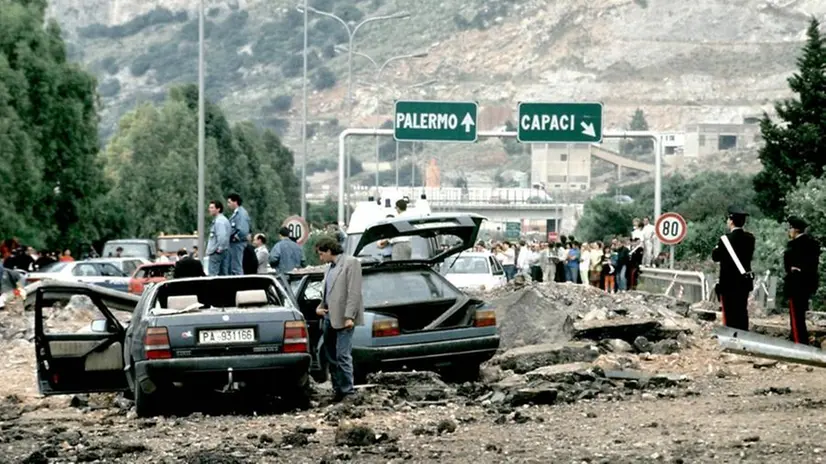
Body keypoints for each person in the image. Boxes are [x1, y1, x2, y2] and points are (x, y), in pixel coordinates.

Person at [315, 236, 364, 402]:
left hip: (344, 318)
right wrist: (320, 307)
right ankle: (337, 389)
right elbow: (327, 291)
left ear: (329, 251)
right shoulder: (329, 268)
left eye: (322, 254)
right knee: (331, 356)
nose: (321, 258)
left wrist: (349, 316)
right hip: (329, 316)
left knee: (343, 355)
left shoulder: (351, 263)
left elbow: (354, 292)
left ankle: (348, 391)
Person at [711, 205, 755, 331]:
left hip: (728, 283)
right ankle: (743, 335)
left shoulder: (724, 240)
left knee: (729, 313)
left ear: (731, 221)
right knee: (742, 311)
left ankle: (732, 338)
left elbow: (715, 256)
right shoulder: (750, 239)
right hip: (744, 281)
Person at [783, 216, 820, 345]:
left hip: (796, 284)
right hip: (808, 283)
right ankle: (798, 337)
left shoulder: (793, 245)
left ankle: (798, 340)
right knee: (800, 314)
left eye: (790, 228)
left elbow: (788, 265)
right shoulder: (813, 244)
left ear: (795, 230)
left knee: (795, 315)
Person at [226, 193, 251, 276]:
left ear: (235, 202)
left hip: (237, 244)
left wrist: (235, 237)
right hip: (233, 244)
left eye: (229, 202)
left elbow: (243, 230)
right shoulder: (236, 214)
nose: (228, 205)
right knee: (233, 266)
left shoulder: (241, 213)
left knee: (236, 266)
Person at [206, 200, 231, 276]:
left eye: (212, 207)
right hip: (224, 251)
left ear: (218, 209)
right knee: (223, 274)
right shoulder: (224, 220)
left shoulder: (219, 221)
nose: (209, 209)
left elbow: (222, 236)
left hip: (216, 253)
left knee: (212, 274)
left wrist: (219, 249)